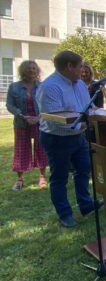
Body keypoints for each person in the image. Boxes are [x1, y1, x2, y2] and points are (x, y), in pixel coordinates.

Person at [36, 50, 102, 228]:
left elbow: (88, 106)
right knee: (60, 177)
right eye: (80, 66)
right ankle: (64, 214)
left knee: (83, 170)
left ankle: (86, 204)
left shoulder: (79, 84)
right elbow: (55, 119)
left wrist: (100, 113)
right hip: (57, 139)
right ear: (69, 66)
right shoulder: (50, 87)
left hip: (78, 137)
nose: (82, 70)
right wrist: (83, 125)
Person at [6, 60, 48, 191]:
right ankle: (19, 179)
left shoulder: (42, 86)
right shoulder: (14, 87)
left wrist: (38, 117)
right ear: (23, 71)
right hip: (21, 123)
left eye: (35, 69)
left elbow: (48, 104)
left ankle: (42, 177)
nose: (32, 71)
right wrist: (22, 116)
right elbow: (10, 105)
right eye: (29, 69)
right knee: (21, 150)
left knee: (41, 149)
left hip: (39, 122)